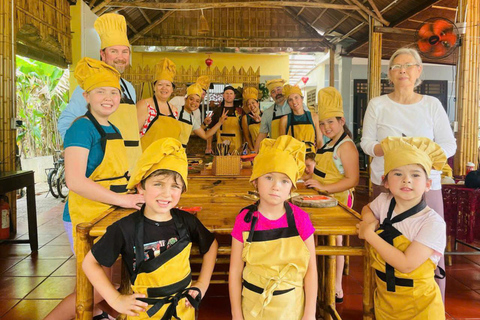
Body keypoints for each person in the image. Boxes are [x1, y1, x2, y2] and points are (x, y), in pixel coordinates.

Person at [45, 58, 145, 320]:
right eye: (100, 91)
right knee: (96, 289)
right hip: (85, 218)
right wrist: (122, 201)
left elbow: (116, 173)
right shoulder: (81, 128)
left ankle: (98, 315)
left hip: (107, 215)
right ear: (86, 95)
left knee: (103, 282)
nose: (109, 98)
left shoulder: (113, 127)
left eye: (114, 92)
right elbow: (75, 181)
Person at [82, 138, 218, 319]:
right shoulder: (125, 228)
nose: (166, 193)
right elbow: (89, 263)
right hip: (144, 313)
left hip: (182, 311)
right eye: (158, 184)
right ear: (141, 187)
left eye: (175, 186)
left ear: (182, 190)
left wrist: (202, 283)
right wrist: (115, 299)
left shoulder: (187, 222)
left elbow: (211, 245)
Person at [360, 47, 456, 299]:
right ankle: (384, 300)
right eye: (396, 67)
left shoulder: (432, 105)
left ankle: (433, 302)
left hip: (426, 186)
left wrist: (422, 157)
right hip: (386, 184)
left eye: (408, 65)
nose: (402, 70)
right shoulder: (377, 104)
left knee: (428, 245)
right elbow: (366, 142)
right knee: (385, 242)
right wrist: (387, 149)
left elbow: (449, 144)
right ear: (389, 74)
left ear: (418, 71)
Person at [357, 136, 447, 320]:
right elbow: (367, 209)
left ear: (428, 184)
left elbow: (406, 264)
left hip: (420, 307)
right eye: (398, 174)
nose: (406, 180)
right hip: (386, 301)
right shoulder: (384, 201)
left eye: (415, 175)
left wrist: (370, 235)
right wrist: (371, 221)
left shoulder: (432, 223)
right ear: (386, 182)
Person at [229, 135, 317, 320]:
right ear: (255, 182)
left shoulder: (301, 219)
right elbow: (235, 271)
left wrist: (309, 313)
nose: (276, 186)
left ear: (292, 187)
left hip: (291, 307)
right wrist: (236, 314)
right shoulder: (244, 219)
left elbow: (311, 270)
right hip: (253, 307)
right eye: (268, 177)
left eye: (284, 181)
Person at [58, 13, 141, 173]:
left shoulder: (129, 88)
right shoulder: (90, 85)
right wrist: (82, 156)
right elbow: (66, 121)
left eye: (125, 52)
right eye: (114, 51)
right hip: (101, 170)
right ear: (103, 54)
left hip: (129, 168)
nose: (121, 57)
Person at [303, 86, 358, 303]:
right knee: (321, 241)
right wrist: (309, 176)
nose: (326, 127)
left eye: (331, 123)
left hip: (340, 199)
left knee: (335, 243)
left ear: (342, 121)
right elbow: (324, 171)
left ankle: (336, 287)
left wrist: (325, 188)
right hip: (322, 198)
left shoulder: (346, 146)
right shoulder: (329, 143)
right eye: (322, 123)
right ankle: (320, 281)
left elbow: (352, 180)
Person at [137, 58, 181, 151]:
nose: (164, 88)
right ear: (154, 87)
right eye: (160, 84)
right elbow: (133, 135)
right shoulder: (144, 105)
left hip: (168, 161)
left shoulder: (174, 110)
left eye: (168, 85)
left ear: (172, 90)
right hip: (147, 161)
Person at [177, 83, 228, 148]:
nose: (194, 103)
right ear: (185, 99)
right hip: (169, 152)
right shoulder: (176, 111)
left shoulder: (192, 118)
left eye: (197, 101)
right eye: (191, 99)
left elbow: (205, 135)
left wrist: (220, 122)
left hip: (180, 153)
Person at [279, 84, 322, 152]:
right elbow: (282, 145)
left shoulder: (314, 117)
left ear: (302, 99)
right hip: (293, 158)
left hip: (311, 157)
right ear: (288, 103)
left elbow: (319, 142)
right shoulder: (285, 120)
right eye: (290, 100)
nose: (294, 102)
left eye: (296, 97)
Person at [207, 86, 243, 153]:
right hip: (221, 146)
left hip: (237, 147)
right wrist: (209, 147)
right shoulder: (217, 111)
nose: (229, 95)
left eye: (231, 93)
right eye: (227, 93)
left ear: (234, 95)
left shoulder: (239, 111)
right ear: (223, 95)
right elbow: (210, 130)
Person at [241, 87, 263, 152]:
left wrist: (260, 121)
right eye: (249, 104)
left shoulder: (265, 115)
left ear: (258, 103)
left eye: (253, 103)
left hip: (267, 146)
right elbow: (247, 136)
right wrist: (252, 150)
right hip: (254, 147)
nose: (251, 106)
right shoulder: (245, 118)